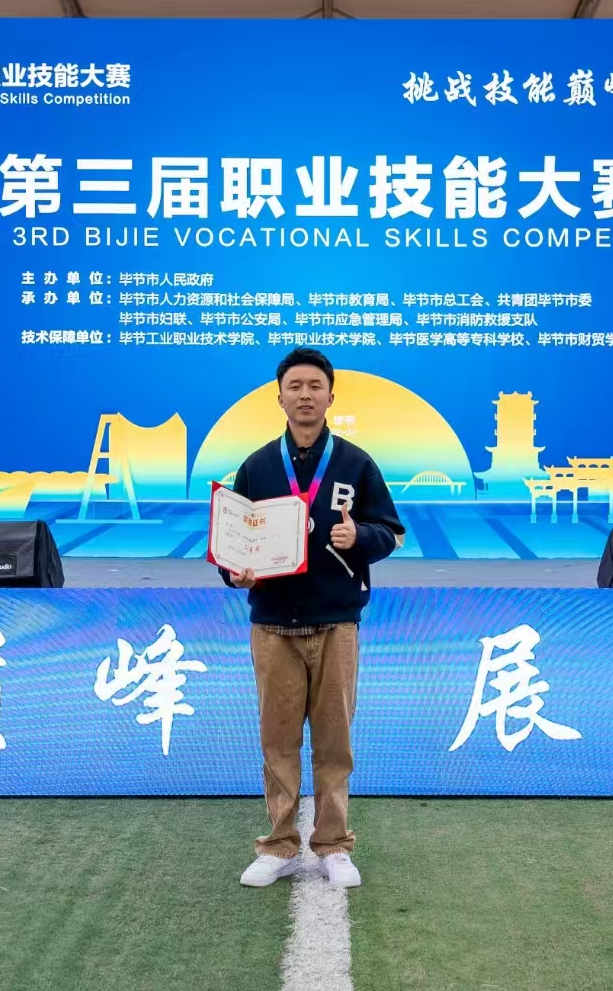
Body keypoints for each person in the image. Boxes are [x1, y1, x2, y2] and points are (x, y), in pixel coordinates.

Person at [221, 348, 403, 889]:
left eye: (314, 386)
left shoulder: (356, 463)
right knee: (277, 743)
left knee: (333, 743)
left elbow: (391, 533)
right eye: (295, 386)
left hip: (336, 623)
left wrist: (359, 536)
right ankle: (278, 844)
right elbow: (232, 543)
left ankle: (333, 845)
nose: (305, 395)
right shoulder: (256, 467)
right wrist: (235, 574)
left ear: (330, 397)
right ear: (279, 398)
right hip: (272, 625)